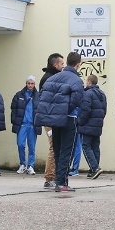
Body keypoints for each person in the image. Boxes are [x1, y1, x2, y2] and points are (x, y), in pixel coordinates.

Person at [35, 52, 84, 192]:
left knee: (57, 149)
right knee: (66, 151)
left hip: (54, 119)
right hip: (69, 118)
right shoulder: (76, 80)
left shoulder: (52, 78)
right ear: (78, 64)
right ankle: (62, 182)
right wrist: (64, 110)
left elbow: (44, 97)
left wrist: (56, 111)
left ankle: (58, 180)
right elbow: (77, 100)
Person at [39, 53, 64, 189]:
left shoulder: (51, 77)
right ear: (55, 65)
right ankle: (49, 178)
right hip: (49, 118)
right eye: (61, 64)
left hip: (52, 117)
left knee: (56, 146)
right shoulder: (49, 79)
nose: (63, 66)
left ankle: (53, 176)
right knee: (54, 146)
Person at [77, 74, 107, 179]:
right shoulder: (102, 94)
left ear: (89, 82)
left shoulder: (87, 94)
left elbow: (86, 110)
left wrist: (80, 122)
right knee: (95, 146)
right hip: (98, 124)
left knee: (86, 146)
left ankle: (95, 168)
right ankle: (93, 170)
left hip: (88, 125)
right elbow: (104, 110)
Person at [11, 75, 42, 175]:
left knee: (32, 147)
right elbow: (14, 109)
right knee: (20, 144)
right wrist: (14, 120)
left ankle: (30, 166)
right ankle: (22, 164)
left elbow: (41, 110)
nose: (30, 85)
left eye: (32, 83)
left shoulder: (38, 96)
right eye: (28, 83)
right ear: (26, 83)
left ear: (34, 84)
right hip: (22, 124)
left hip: (32, 125)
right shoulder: (19, 95)